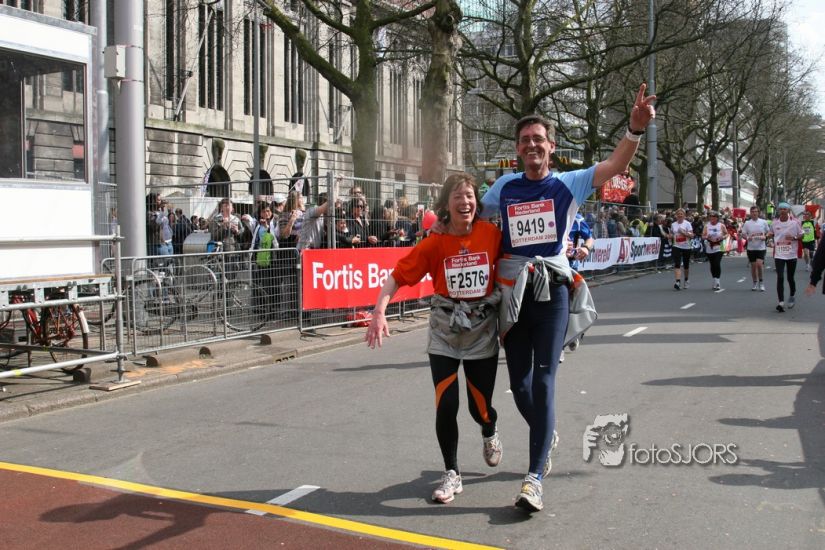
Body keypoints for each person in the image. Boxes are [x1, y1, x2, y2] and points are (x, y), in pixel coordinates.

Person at [479, 83, 654, 512]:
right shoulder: (503, 187)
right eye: (525, 140)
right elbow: (474, 221)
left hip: (552, 291)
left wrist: (634, 130)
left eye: (538, 139)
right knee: (520, 385)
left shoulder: (569, 184)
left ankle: (534, 479)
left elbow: (615, 165)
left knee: (544, 380)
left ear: (551, 147)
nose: (532, 145)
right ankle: (547, 433)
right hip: (514, 294)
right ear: (517, 149)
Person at [365, 173, 503, 504]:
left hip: (481, 330)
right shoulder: (434, 242)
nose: (465, 202)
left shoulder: (492, 234)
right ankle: (452, 472)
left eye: (469, 196)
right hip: (444, 329)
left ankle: (489, 430)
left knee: (479, 408)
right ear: (446, 205)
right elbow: (396, 277)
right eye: (457, 196)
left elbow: (517, 262)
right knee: (446, 403)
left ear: (477, 203)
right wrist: (379, 312)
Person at [768, 202, 803, 312]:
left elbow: (802, 235)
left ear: (788, 211)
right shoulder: (774, 223)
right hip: (779, 254)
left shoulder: (795, 222)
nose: (782, 211)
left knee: (790, 278)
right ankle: (781, 302)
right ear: (778, 211)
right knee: (780, 277)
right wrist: (769, 239)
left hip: (791, 254)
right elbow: (770, 233)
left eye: (785, 209)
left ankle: (792, 295)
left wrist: (794, 238)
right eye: (781, 209)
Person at [740, 206, 769, 291]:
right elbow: (743, 234)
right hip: (751, 248)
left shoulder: (763, 222)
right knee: (753, 266)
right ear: (750, 213)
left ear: (758, 213)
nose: (754, 213)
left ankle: (761, 282)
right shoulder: (747, 223)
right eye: (752, 212)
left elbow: (768, 232)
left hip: (761, 248)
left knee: (759, 264)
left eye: (756, 211)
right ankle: (755, 282)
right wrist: (747, 238)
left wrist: (765, 237)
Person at [670, 208, 694, 290]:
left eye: (681, 214)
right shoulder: (673, 224)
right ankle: (678, 282)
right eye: (678, 214)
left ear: (684, 215)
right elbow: (671, 234)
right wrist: (669, 236)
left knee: (686, 265)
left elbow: (692, 235)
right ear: (676, 215)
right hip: (676, 246)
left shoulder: (687, 224)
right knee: (677, 263)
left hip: (686, 246)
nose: (679, 215)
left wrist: (684, 232)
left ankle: (686, 280)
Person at [702, 211, 725, 290]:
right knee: (712, 265)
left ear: (717, 218)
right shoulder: (706, 226)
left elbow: (726, 234)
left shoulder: (721, 225)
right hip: (710, 247)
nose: (712, 218)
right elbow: (703, 236)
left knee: (717, 263)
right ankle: (714, 279)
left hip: (719, 247)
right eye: (711, 217)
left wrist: (722, 237)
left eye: (714, 217)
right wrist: (707, 237)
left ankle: (717, 282)